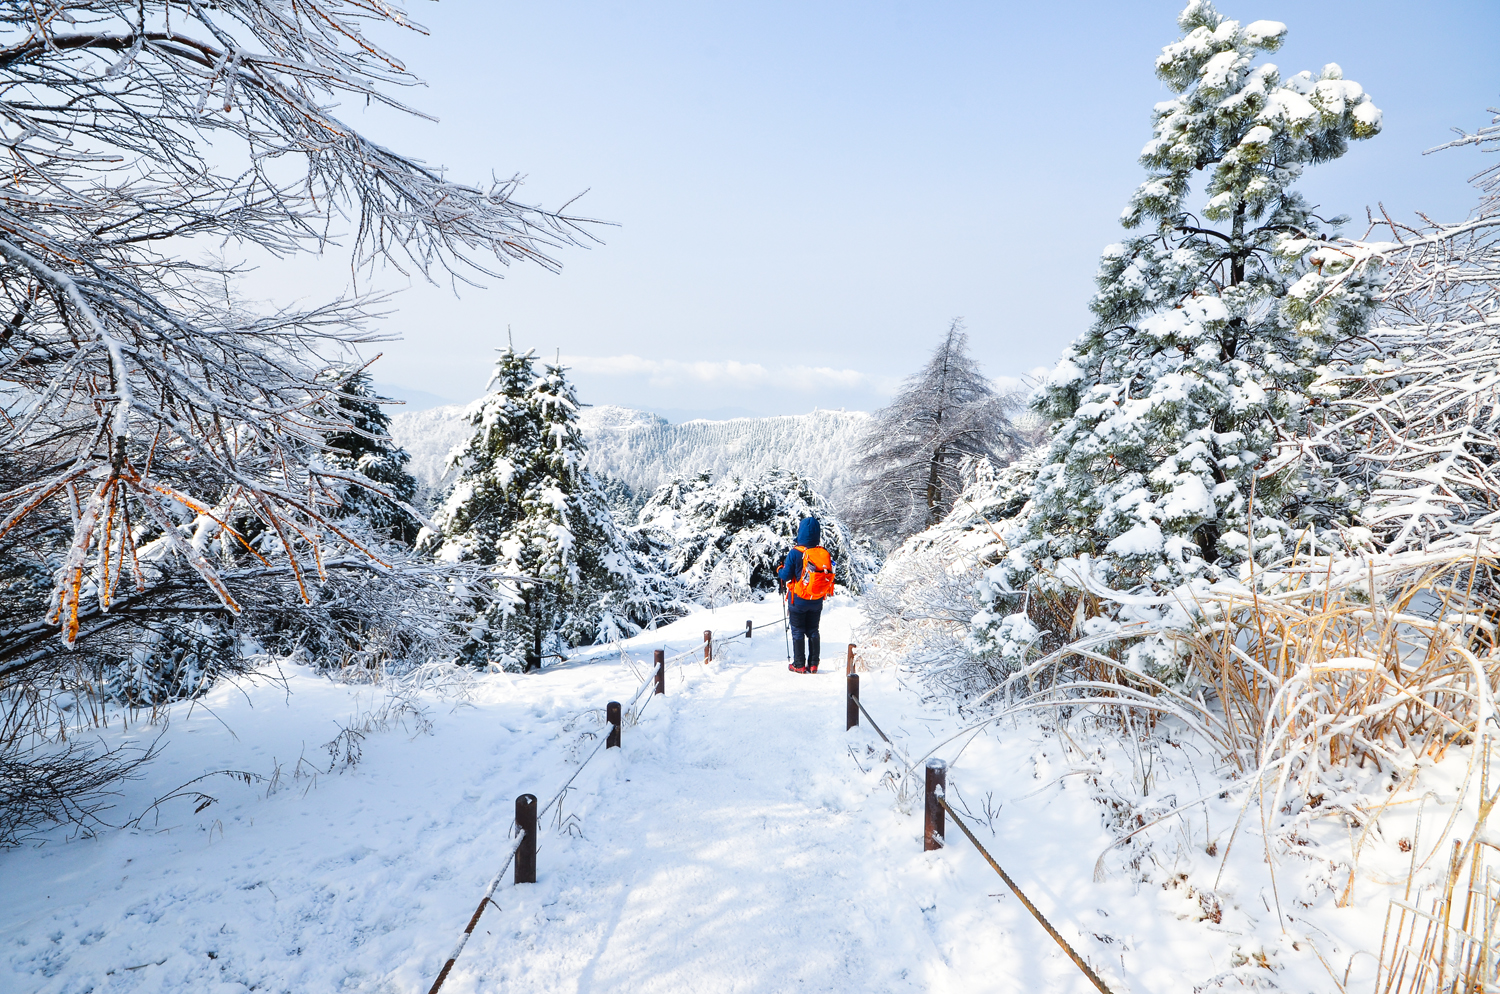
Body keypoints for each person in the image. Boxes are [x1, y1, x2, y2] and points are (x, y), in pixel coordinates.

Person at [778, 516, 835, 673]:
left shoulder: (795, 553)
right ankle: (814, 664)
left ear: (800, 532)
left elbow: (786, 576)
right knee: (813, 630)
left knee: (798, 630)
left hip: (798, 600)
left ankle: (799, 664)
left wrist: (779, 569)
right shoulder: (822, 553)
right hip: (817, 599)